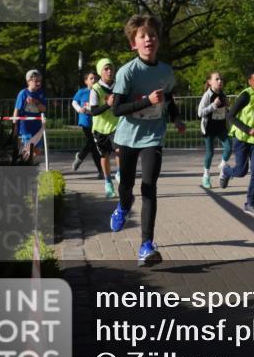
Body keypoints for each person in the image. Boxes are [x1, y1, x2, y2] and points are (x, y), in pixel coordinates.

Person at [108, 16, 186, 267]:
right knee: (127, 185)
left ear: (158, 40)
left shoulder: (165, 71)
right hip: (128, 136)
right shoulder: (127, 72)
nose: (148, 39)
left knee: (149, 185)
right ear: (134, 44)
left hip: (153, 135)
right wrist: (146, 102)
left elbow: (169, 97)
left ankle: (146, 245)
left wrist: (175, 118)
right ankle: (122, 206)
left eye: (152, 34)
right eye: (142, 36)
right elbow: (117, 110)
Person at [221, 66, 254, 215]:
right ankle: (226, 170)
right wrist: (247, 129)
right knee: (241, 171)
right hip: (242, 138)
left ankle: (250, 203)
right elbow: (230, 116)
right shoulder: (245, 96)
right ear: (249, 81)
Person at [88, 58, 120, 198]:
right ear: (100, 72)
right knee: (104, 155)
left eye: (111, 68)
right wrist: (108, 104)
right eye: (106, 69)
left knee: (119, 150)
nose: (109, 71)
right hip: (100, 128)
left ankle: (120, 172)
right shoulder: (96, 89)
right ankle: (108, 182)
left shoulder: (118, 86)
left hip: (116, 124)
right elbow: (94, 111)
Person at [197, 72, 232, 190]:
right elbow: (200, 112)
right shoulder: (207, 95)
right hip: (210, 128)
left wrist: (228, 106)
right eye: (217, 79)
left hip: (221, 126)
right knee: (210, 153)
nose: (220, 81)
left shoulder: (223, 94)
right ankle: (206, 175)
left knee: (228, 148)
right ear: (210, 82)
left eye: (221, 79)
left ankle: (223, 165)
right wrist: (213, 105)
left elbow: (225, 110)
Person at [71, 72, 103, 178]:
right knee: (92, 144)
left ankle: (80, 156)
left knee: (94, 146)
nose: (94, 80)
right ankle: (101, 171)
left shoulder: (99, 91)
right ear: (86, 81)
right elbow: (74, 102)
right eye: (91, 78)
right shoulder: (82, 92)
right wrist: (79, 109)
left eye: (95, 78)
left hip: (97, 121)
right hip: (85, 121)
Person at [14, 69, 47, 164]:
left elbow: (43, 109)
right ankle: (26, 167)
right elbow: (16, 110)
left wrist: (35, 102)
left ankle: (30, 165)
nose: (38, 83)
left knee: (37, 151)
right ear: (28, 81)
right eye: (36, 81)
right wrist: (14, 125)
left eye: (39, 81)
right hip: (25, 128)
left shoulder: (40, 93)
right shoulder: (23, 93)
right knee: (28, 151)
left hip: (37, 128)